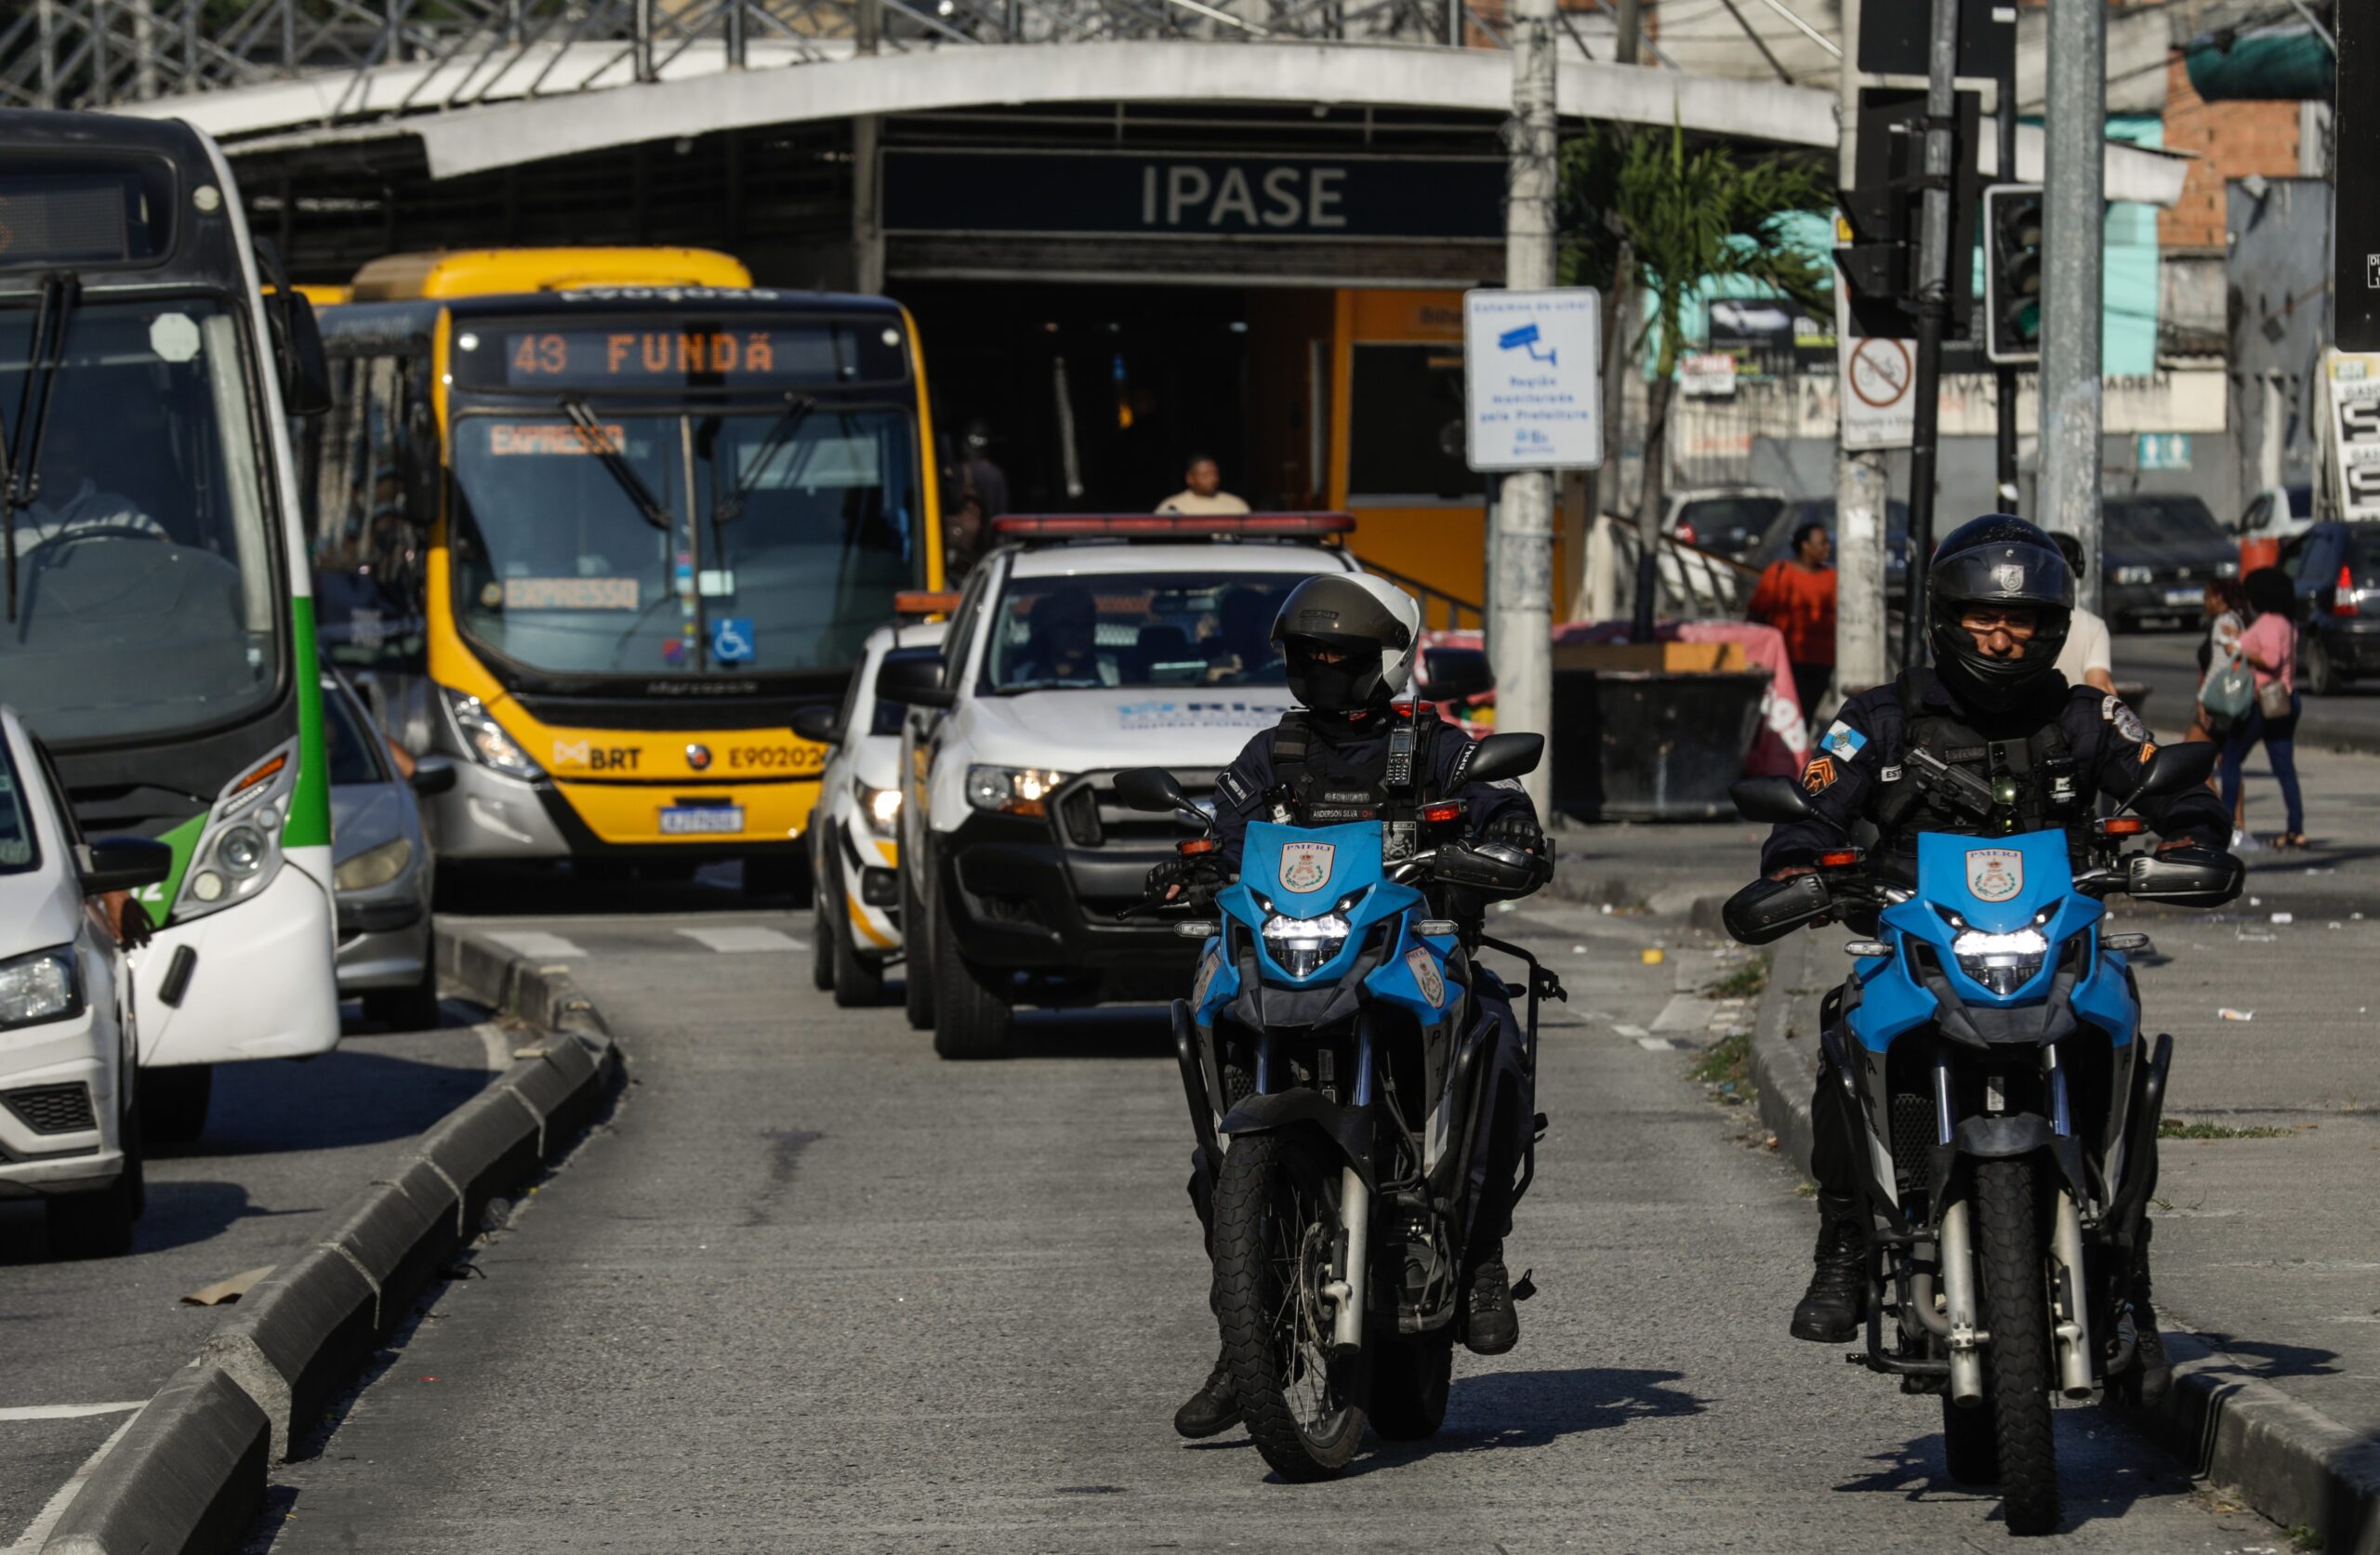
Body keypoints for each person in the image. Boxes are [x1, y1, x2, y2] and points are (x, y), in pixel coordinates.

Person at [1747, 515, 2232, 1405]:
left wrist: (2195, 834)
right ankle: (1846, 1245)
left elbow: (2170, 782)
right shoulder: (1880, 719)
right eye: (1983, 618)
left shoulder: (2085, 719)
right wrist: (1799, 864)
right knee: (1844, 1033)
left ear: (2053, 628)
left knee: (2125, 1049)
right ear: (1946, 616)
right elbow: (1812, 809)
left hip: (2058, 948)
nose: (2002, 636)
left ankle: (2128, 1280)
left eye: (2023, 621)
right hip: (1918, 945)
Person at [1151, 573, 1548, 1439]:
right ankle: (1246, 1339)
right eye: (1309, 655)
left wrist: (1509, 831)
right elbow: (1220, 826)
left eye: (1341, 655)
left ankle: (1478, 1251)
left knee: (1494, 1031)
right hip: (1294, 957)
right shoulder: (1273, 754)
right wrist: (1186, 861)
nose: (1324, 669)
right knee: (1209, 1132)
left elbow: (1497, 799)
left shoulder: (1431, 745)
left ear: (1386, 662)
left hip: (1403, 951)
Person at [2220, 566, 2307, 850]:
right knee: (2284, 767)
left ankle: (2225, 825)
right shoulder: (2288, 622)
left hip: (2263, 701)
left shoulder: (2270, 622)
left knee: (2231, 758)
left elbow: (2269, 659)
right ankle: (2296, 828)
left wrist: (2240, 650)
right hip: (2286, 700)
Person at [1748, 521, 1837, 727]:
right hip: (1785, 659)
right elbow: (1757, 611)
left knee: (1804, 714)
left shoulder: (1832, 578)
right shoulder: (1779, 572)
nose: (1827, 547)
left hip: (1820, 662)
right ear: (1805, 546)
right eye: (1822, 542)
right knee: (1781, 712)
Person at [1002, 587, 1118, 688]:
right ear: (1051, 629)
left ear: (1094, 631)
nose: (1077, 634)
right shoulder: (1019, 676)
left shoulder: (1114, 673)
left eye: (1085, 625)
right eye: (1068, 625)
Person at [2049, 533, 2118, 696]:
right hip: (2071, 719)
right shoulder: (2092, 625)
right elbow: (2100, 687)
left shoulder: (2020, 619)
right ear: (2077, 571)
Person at [2189, 577, 2251, 745]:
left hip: (2216, 699)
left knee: (2191, 756)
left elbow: (2220, 664)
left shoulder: (2223, 623)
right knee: (2223, 760)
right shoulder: (2237, 619)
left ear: (2219, 598)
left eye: (2207, 597)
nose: (2205, 603)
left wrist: (2202, 699)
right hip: (2230, 698)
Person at [1157, 454, 1250, 517]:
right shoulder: (1172, 506)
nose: (1212, 479)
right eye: (1204, 475)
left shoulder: (1236, 505)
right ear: (1190, 478)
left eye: (1214, 474)